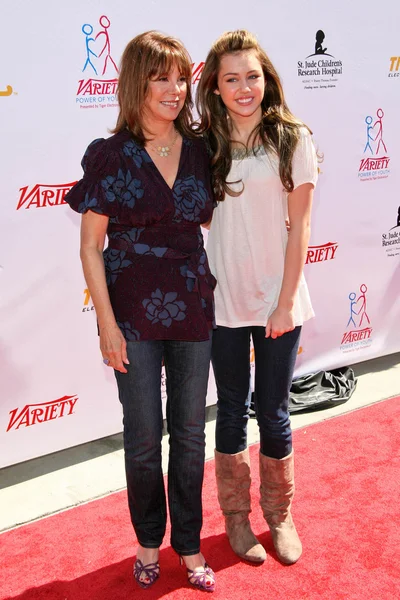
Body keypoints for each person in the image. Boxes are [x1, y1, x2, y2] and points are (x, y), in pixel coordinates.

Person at [65, 31, 216, 592]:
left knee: (190, 434)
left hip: (193, 304)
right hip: (131, 311)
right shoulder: (111, 155)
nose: (175, 89)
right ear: (136, 82)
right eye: (161, 77)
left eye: (181, 78)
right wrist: (106, 322)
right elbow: (89, 245)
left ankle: (191, 544)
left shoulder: (201, 147)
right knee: (144, 434)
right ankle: (149, 540)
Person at [196, 30, 318, 566]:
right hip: (224, 301)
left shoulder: (293, 138)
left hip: (278, 300)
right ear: (216, 88)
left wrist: (286, 301)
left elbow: (302, 228)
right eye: (231, 79)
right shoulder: (203, 146)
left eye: (252, 75)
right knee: (228, 413)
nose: (244, 87)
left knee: (272, 410)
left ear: (266, 78)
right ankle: (237, 521)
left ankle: (280, 513)